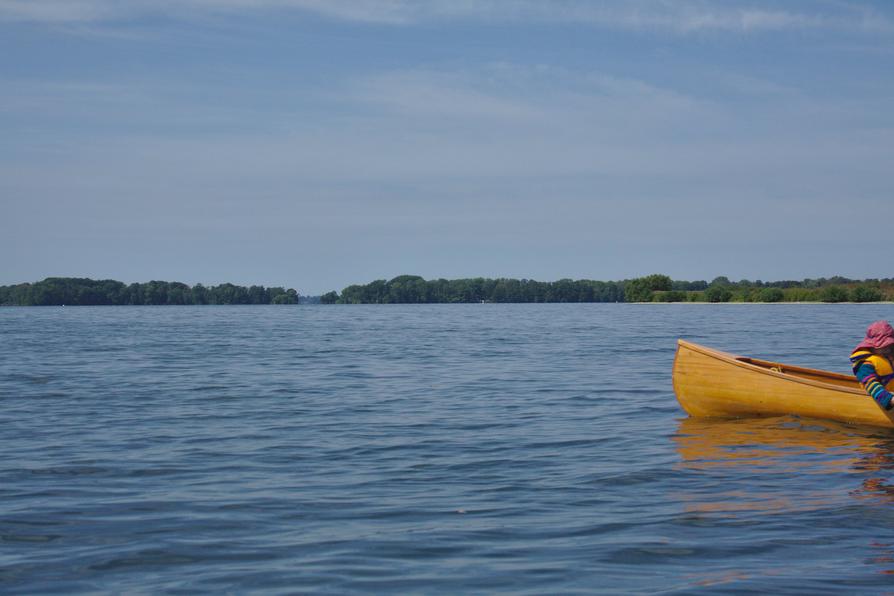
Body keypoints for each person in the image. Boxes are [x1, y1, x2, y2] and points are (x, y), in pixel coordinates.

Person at [851, 320, 894, 411]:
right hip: (884, 399)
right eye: (884, 346)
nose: (888, 349)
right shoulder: (865, 365)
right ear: (871, 346)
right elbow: (871, 384)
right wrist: (890, 400)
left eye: (891, 346)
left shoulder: (890, 357)